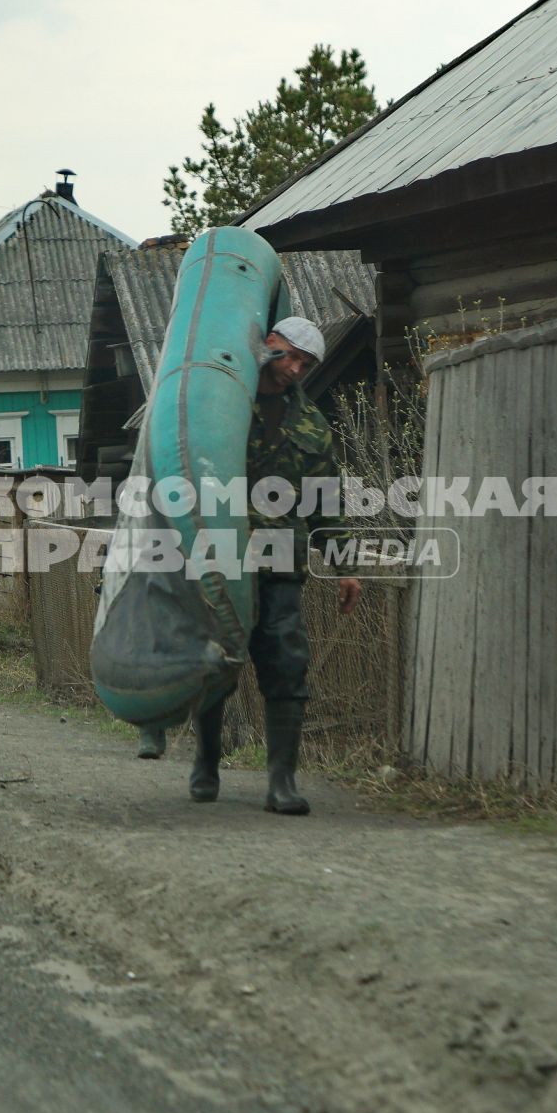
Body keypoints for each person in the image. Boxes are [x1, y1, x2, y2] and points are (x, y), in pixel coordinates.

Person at [185, 315, 361, 815]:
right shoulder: (220, 401)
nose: (296, 369)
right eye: (290, 355)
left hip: (281, 559)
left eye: (306, 363)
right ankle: (206, 762)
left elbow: (326, 502)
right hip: (220, 553)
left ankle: (281, 782)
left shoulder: (311, 426)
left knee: (287, 665)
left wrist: (345, 565)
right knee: (216, 662)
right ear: (269, 344)